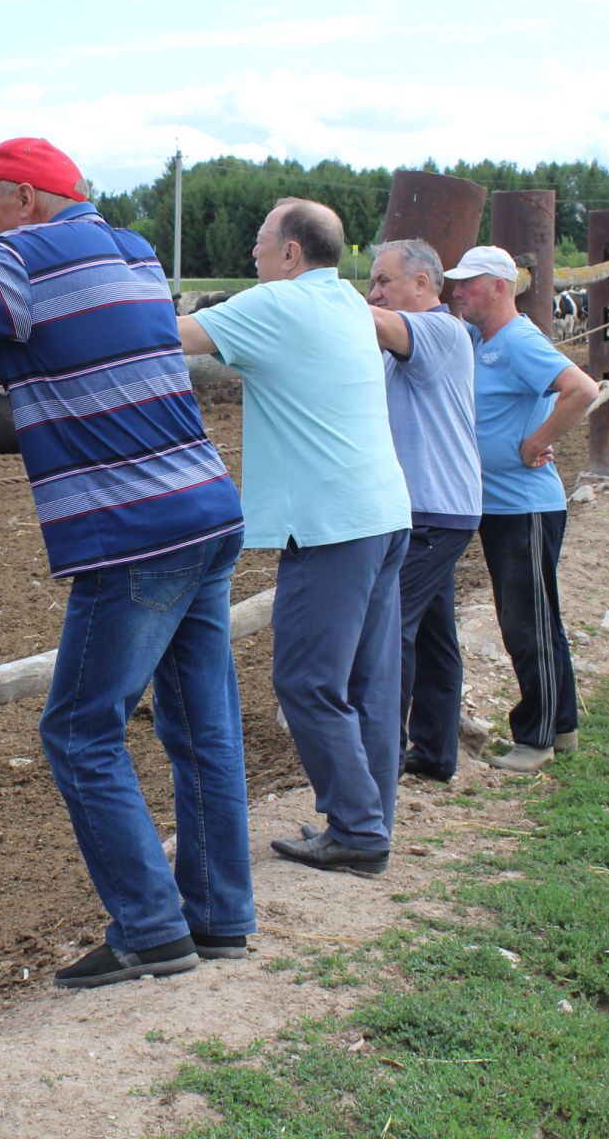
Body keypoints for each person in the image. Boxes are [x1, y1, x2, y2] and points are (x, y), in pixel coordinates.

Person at [0, 137, 252, 989]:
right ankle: (221, 917)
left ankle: (151, 930)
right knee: (201, 723)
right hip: (205, 505)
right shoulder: (133, 249)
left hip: (132, 529)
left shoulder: (22, 257)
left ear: (24, 200)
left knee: (79, 730)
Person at [177, 199, 411, 875]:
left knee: (306, 679)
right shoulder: (345, 304)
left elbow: (167, 336)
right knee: (366, 680)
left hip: (330, 523)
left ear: (289, 253)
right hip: (383, 512)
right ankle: (367, 820)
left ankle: (360, 831)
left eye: (259, 240)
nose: (252, 254)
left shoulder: (277, 305)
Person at [444, 246, 599, 772]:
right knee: (531, 616)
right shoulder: (479, 339)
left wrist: (536, 441)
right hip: (501, 505)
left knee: (527, 620)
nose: (458, 292)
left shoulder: (519, 340)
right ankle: (562, 726)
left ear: (500, 287)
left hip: (524, 505)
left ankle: (536, 740)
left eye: (468, 283)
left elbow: (582, 390)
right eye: (456, 283)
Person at [364, 238, 480, 784]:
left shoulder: (437, 329)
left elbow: (376, 326)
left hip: (430, 509)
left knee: (389, 632)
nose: (374, 291)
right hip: (440, 506)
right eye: (372, 281)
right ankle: (433, 752)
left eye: (384, 280)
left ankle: (378, 761)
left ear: (423, 283)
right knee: (434, 633)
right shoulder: (417, 340)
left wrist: (314, 295)